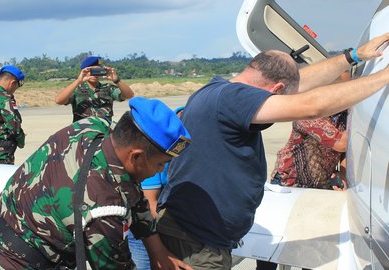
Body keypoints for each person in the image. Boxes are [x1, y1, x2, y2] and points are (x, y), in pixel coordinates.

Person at [157, 33, 389, 269]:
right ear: (276, 88)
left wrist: (353, 56)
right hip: (196, 243)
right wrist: (384, 76)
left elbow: (298, 83)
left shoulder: (221, 91)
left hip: (198, 235)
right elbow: (311, 106)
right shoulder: (233, 100)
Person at [0, 97, 193, 270]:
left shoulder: (93, 127)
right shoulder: (104, 209)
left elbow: (130, 190)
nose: (161, 170)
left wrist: (157, 250)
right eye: (161, 163)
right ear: (136, 156)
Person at [128, 106, 185, 270]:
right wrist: (160, 248)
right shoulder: (155, 151)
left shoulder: (174, 149)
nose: (161, 168)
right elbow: (149, 202)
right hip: (144, 227)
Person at [55, 56, 135, 123]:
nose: (94, 74)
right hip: (81, 132)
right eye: (91, 71)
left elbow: (129, 95)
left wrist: (117, 80)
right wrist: (78, 81)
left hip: (104, 131)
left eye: (97, 71)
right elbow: (59, 100)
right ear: (84, 72)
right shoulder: (76, 89)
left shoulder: (108, 88)